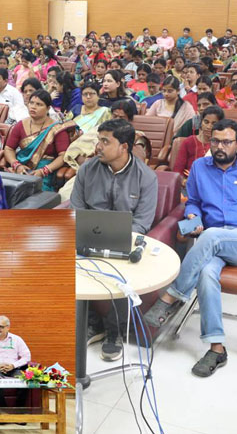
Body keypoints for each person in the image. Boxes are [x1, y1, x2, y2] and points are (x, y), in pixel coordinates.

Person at [143, 119, 237, 378]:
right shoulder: (200, 167)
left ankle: (171, 298)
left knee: (211, 236)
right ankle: (216, 347)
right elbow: (194, 203)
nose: (220, 146)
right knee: (206, 273)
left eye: (226, 142)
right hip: (211, 244)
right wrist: (192, 218)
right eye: (215, 141)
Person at [70, 119, 158, 360]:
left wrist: (116, 235)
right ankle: (92, 324)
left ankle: (114, 331)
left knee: (122, 274)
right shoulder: (88, 169)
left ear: (124, 147)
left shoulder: (145, 177)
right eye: (99, 140)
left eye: (105, 141)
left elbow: (143, 222)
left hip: (124, 241)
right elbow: (76, 208)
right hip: (86, 237)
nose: (98, 146)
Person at [3, 90, 70, 192]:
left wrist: (44, 171)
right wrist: (16, 165)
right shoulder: (20, 125)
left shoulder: (57, 128)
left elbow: (63, 156)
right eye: (31, 103)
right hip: (21, 170)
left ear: (48, 108)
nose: (33, 107)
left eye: (39, 104)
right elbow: (8, 148)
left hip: (45, 173)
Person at [173, 106, 224, 186]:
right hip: (189, 184)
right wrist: (184, 181)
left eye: (214, 123)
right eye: (206, 122)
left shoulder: (222, 145)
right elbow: (178, 170)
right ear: (201, 122)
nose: (209, 126)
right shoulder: (189, 142)